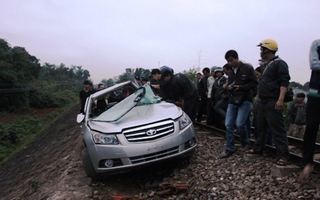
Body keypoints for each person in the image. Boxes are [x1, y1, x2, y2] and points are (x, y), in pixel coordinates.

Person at [246, 39, 291, 166]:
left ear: (267, 49)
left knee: (277, 130)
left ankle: (283, 156)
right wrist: (258, 100)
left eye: (261, 49)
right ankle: (258, 148)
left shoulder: (280, 64)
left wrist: (280, 99)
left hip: (273, 101)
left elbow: (284, 82)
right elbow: (262, 84)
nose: (260, 51)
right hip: (263, 102)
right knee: (260, 128)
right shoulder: (266, 65)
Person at [220, 50, 258, 158]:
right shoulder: (231, 72)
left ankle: (245, 142)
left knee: (240, 123)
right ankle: (229, 148)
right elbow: (232, 84)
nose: (230, 63)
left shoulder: (248, 68)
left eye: (231, 60)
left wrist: (240, 87)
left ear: (237, 58)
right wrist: (230, 88)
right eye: (228, 61)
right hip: (233, 100)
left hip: (245, 99)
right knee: (228, 124)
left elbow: (255, 83)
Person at [300, 39, 320, 180]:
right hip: (316, 94)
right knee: (311, 128)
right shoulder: (317, 44)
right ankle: (307, 162)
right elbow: (314, 64)